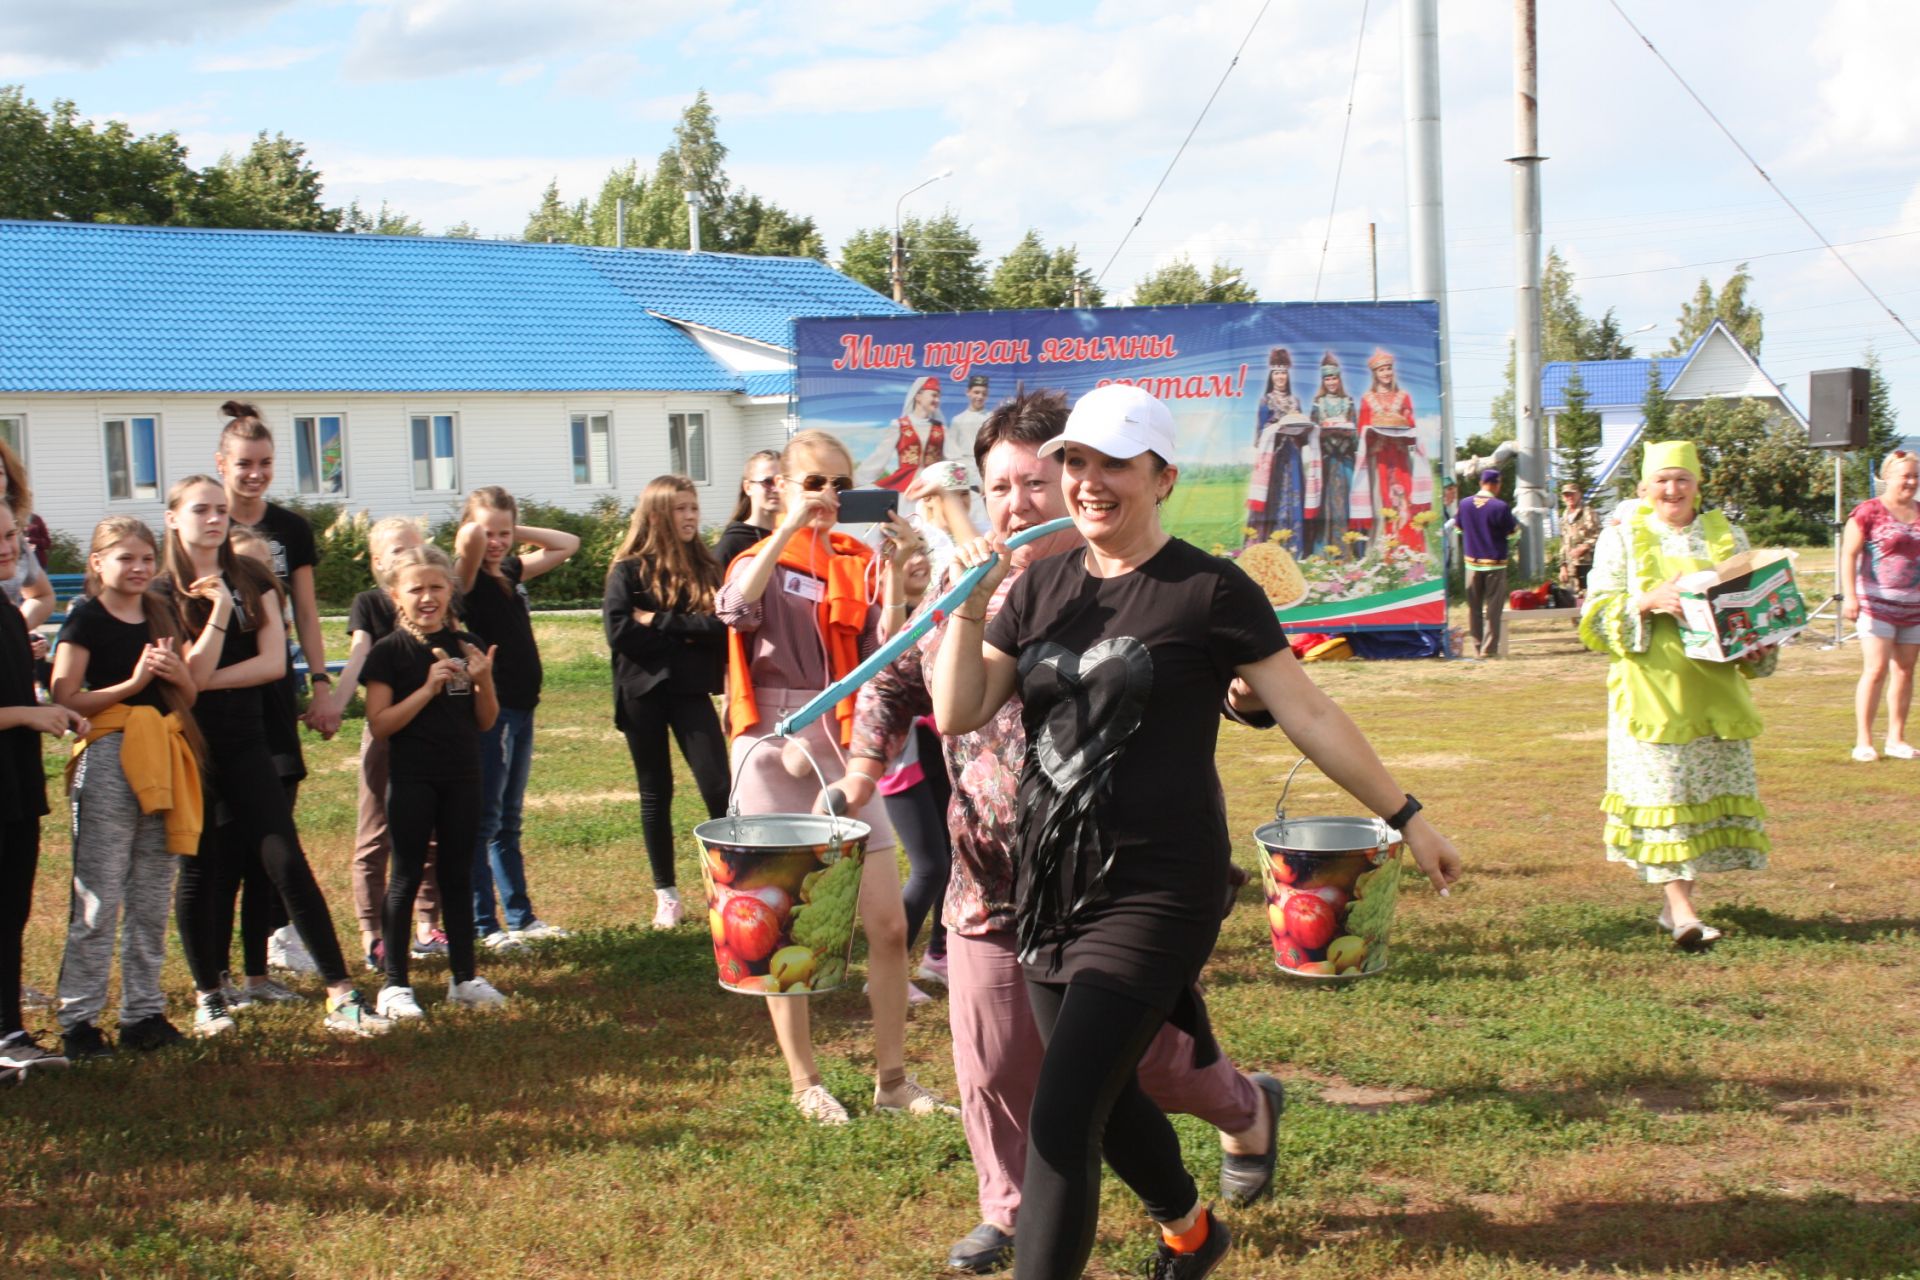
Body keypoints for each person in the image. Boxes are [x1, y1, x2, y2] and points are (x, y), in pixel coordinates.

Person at [932, 384, 1461, 1280]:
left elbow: (1307, 711)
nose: (1089, 482)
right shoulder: (1038, 590)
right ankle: (1190, 1230)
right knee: (1105, 1090)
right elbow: (958, 709)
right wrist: (973, 603)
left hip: (1157, 888)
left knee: (1060, 1117)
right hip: (1050, 888)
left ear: (1161, 476)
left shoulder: (1207, 588)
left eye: (1113, 465)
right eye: (1076, 463)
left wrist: (1405, 815)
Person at [849, 389, 1289, 1275]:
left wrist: (1246, 701)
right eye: (1000, 487)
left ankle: (1244, 1111)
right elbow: (896, 683)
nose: (1020, 502)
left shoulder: (1137, 580)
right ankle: (1012, 1212)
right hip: (986, 868)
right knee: (999, 1061)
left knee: (1145, 1072)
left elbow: (1217, 686)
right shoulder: (962, 584)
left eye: (1036, 481)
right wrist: (860, 771)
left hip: (1111, 882)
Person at [715, 428, 955, 1124]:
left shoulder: (856, 557)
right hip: (769, 743)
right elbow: (734, 611)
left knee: (884, 925)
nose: (828, 497)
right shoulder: (756, 555)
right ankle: (804, 1081)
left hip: (844, 746)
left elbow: (886, 655)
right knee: (782, 929)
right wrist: (790, 524)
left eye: (839, 485)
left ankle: (892, 1081)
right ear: (784, 487)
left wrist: (900, 584)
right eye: (813, 482)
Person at [160, 477, 388, 1037]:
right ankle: (209, 994)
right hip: (189, 748)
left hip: (246, 742)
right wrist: (215, 615)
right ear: (172, 519)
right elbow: (183, 683)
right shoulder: (163, 592)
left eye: (220, 510)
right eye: (200, 510)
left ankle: (340, 993)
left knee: (285, 858)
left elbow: (268, 665)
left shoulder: (253, 578)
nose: (215, 519)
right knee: (200, 869)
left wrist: (203, 677)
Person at [1579, 440, 1775, 952]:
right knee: (1666, 797)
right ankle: (1682, 909)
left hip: (1713, 688)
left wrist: (1756, 644)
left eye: (1682, 479)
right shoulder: (1620, 538)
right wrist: (1646, 601)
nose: (1672, 489)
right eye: (1662, 480)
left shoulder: (1727, 536)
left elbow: (1751, 608)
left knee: (1693, 799)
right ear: (1644, 487)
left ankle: (1675, 907)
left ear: (1698, 484)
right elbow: (1595, 617)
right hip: (1651, 691)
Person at [50, 517, 203, 1057]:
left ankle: (142, 1013)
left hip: (164, 752)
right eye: (125, 559)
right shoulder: (86, 619)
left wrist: (174, 674)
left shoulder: (161, 613)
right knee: (100, 892)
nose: (138, 569)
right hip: (112, 755)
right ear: (97, 564)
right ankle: (79, 1020)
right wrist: (133, 685)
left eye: (145, 559)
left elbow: (189, 688)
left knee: (150, 894)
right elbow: (64, 696)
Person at [362, 545, 509, 1018]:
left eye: (436, 587)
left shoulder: (468, 643)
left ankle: (464, 978)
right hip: (412, 778)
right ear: (395, 596)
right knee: (405, 876)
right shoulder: (389, 653)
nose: (427, 597)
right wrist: (427, 688)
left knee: (457, 875)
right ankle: (394, 985)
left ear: (451, 590)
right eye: (416, 589)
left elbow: (486, 722)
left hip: (464, 774)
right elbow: (381, 724)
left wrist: (483, 681)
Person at [212, 402, 324, 977]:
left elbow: (305, 611)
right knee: (222, 838)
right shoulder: (204, 521)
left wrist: (322, 682)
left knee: (277, 822)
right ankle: (218, 970)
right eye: (244, 464)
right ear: (221, 463)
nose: (254, 474)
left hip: (277, 688)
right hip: (221, 694)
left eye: (265, 463)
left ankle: (271, 943)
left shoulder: (291, 529)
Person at [304, 518, 446, 969]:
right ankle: (373, 933)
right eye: (397, 552)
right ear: (377, 562)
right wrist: (335, 704)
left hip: (435, 733)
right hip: (386, 731)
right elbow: (360, 654)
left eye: (414, 549)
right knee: (375, 833)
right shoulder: (369, 605)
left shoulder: (436, 599)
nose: (407, 559)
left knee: (433, 836)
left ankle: (427, 925)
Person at [454, 487, 580, 950]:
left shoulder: (507, 568)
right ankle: (485, 926)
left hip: (523, 709)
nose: (497, 542)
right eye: (488, 533)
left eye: (505, 534)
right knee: (485, 819)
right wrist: (480, 528)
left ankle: (521, 917)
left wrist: (511, 528)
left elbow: (567, 544)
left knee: (508, 819)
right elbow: (469, 542)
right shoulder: (464, 579)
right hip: (496, 709)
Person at [604, 476, 731, 930]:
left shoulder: (708, 566)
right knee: (656, 791)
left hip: (690, 693)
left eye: (694, 506)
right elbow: (619, 632)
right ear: (658, 515)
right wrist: (687, 636)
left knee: (718, 785)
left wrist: (660, 621)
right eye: (680, 508)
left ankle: (728, 882)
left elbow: (720, 627)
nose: (691, 515)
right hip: (642, 693)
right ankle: (667, 894)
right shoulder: (628, 571)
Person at [0, 501, 86, 1079]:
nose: (11, 547)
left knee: (11, 910)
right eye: (0, 538)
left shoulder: (9, 612)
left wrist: (46, 709)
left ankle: (9, 1033)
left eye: (12, 535)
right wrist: (27, 717)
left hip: (14, 783)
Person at [1840, 449, 1920, 761]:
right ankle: (1864, 741)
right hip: (1876, 605)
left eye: (1915, 476)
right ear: (1887, 477)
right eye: (1905, 476)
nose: (1911, 481)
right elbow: (1848, 554)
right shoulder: (1868, 512)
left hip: (1914, 608)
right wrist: (1850, 595)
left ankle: (1896, 739)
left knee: (1905, 670)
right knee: (1875, 670)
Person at [1354, 347, 1430, 552]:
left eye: (1389, 368)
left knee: (1404, 498)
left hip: (1400, 458)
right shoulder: (1367, 399)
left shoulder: (1403, 396)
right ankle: (1385, 550)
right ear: (1375, 374)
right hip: (1379, 458)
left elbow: (1411, 426)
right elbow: (1362, 430)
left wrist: (1405, 423)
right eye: (1382, 370)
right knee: (1383, 501)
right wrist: (1372, 435)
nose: (1386, 373)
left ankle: (1409, 547)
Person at [1245, 347, 1314, 555]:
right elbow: (1260, 433)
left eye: (1283, 372)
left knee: (1294, 496)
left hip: (1292, 455)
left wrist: (1301, 429)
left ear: (1288, 375)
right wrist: (1275, 427)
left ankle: (1294, 546)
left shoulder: (1296, 402)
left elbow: (1302, 432)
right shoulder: (1265, 401)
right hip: (1273, 457)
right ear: (1271, 376)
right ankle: (1268, 546)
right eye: (1276, 373)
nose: (1280, 377)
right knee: (1272, 498)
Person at [1456, 469, 1518, 659]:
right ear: (1495, 484)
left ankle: (1476, 645)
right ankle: (1488, 649)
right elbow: (1514, 532)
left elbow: (1459, 530)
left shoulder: (1465, 504)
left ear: (1481, 483)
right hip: (1495, 565)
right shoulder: (1500, 507)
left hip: (1471, 563)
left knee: (1474, 608)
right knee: (1493, 609)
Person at [1307, 351, 1359, 559]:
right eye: (1327, 378)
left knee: (1348, 505)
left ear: (1339, 378)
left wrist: (1347, 433)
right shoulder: (1317, 403)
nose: (1331, 382)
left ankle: (1349, 551)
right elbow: (1312, 432)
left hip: (1345, 460)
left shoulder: (1348, 401)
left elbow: (1355, 434)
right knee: (1325, 508)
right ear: (1323, 380)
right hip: (1327, 461)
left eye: (1334, 377)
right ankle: (1325, 552)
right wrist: (1325, 432)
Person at [868, 375, 946, 493]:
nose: (937, 400)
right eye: (934, 395)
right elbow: (879, 457)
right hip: (904, 485)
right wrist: (858, 482)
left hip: (933, 485)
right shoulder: (899, 425)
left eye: (939, 397)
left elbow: (955, 458)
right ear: (918, 396)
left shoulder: (941, 428)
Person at [712, 450, 783, 574]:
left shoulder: (789, 537)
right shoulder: (733, 543)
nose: (776, 489)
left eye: (781, 482)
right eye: (768, 482)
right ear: (748, 487)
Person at [1557, 482, 1602, 596]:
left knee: (1588, 601)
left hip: (1586, 565)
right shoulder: (1564, 516)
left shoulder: (1588, 512)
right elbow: (1563, 543)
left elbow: (1600, 535)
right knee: (1571, 603)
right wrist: (1563, 567)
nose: (1569, 498)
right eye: (1566, 495)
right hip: (1570, 570)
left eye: (1572, 494)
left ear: (1579, 495)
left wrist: (1585, 547)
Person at [948, 374, 992, 482]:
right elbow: (951, 452)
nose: (980, 397)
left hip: (988, 468)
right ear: (968, 392)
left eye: (984, 394)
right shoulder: (957, 420)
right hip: (964, 471)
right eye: (976, 392)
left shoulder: (992, 417)